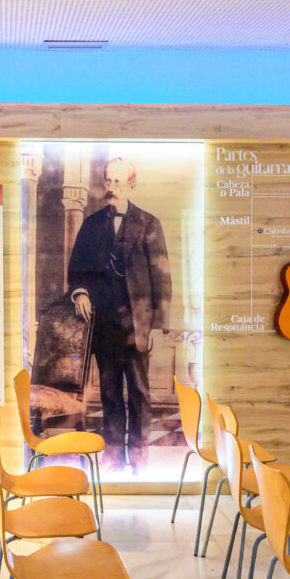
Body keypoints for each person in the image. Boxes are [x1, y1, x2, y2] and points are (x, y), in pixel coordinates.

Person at [68, 157, 171, 473]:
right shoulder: (91, 224)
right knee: (110, 394)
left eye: (118, 181)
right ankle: (113, 458)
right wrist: (81, 292)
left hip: (138, 327)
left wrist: (158, 326)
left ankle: (139, 460)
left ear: (131, 184)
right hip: (104, 326)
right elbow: (77, 268)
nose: (112, 187)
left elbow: (161, 278)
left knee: (139, 394)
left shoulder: (149, 224)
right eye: (108, 181)